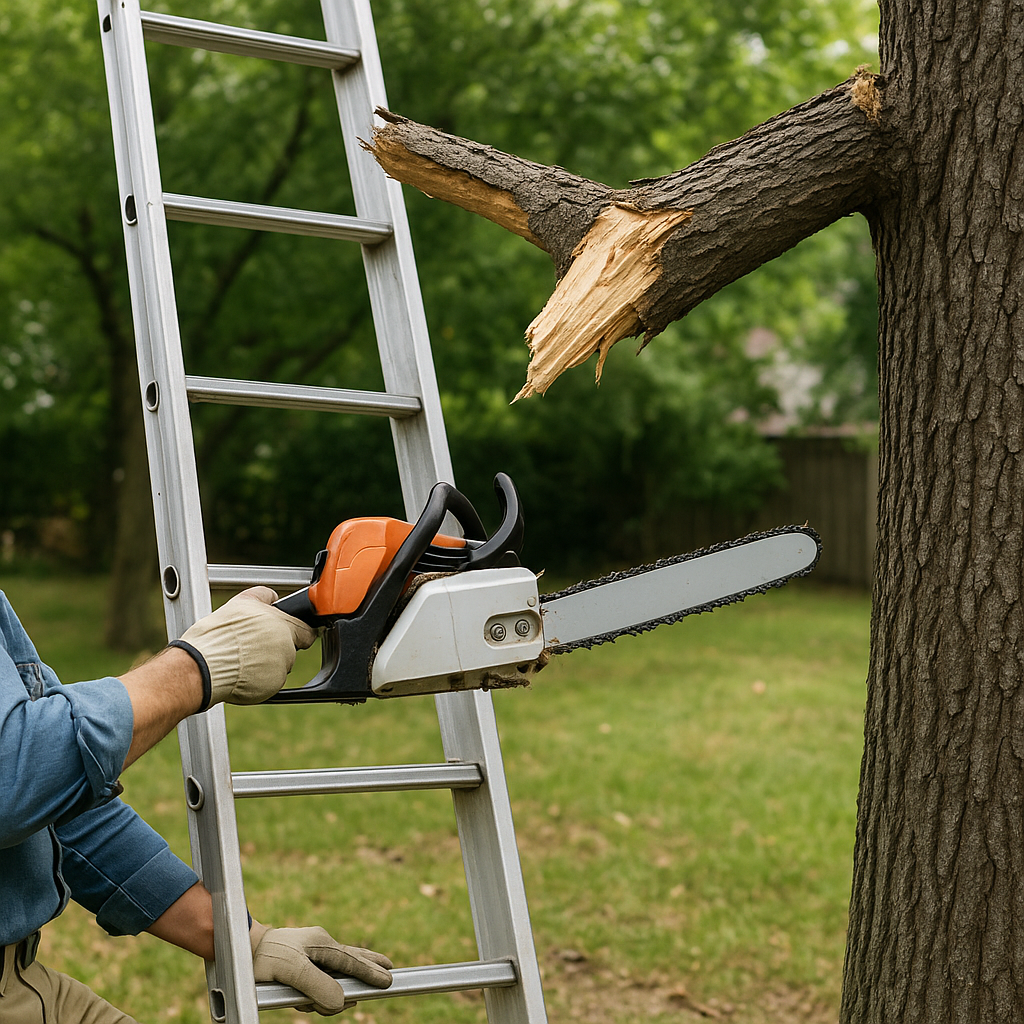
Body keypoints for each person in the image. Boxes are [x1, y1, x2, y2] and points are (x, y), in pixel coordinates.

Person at [0, 586, 394, 1022]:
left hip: (22, 981)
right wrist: (200, 665)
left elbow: (57, 809)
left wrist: (244, 939)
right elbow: (11, 782)